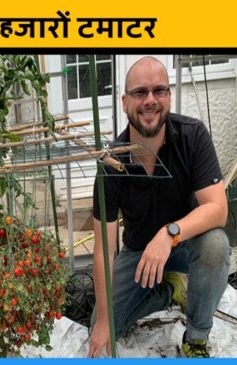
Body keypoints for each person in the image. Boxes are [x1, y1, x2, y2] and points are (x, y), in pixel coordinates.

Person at [87, 56, 229, 358]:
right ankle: (169, 290)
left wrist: (170, 233)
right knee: (101, 326)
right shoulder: (111, 163)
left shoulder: (192, 136)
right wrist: (102, 321)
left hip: (185, 245)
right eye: (140, 92)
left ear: (168, 96)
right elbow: (103, 247)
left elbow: (218, 208)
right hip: (138, 254)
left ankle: (197, 336)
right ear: (125, 102)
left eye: (159, 91)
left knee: (216, 244)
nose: (150, 100)